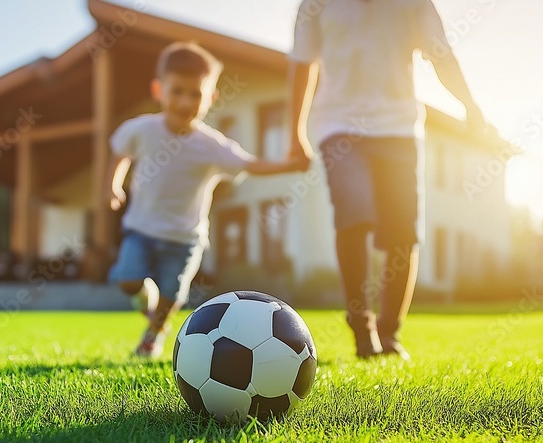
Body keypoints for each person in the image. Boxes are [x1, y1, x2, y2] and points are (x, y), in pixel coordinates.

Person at [287, 0, 488, 359]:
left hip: (399, 129)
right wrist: (295, 133)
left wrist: (469, 104)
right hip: (339, 126)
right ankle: (362, 329)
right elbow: (303, 64)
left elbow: (441, 55)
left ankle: (389, 333)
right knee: (354, 215)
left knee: (402, 234)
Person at [107, 41, 310, 358]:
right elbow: (120, 153)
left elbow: (249, 164)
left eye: (195, 94)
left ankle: (152, 338)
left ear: (211, 98)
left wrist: (289, 165)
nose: (185, 101)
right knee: (128, 280)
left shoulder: (211, 145)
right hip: (141, 229)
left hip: (184, 238)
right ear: (159, 90)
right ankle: (145, 301)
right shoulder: (141, 130)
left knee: (172, 293)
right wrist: (113, 186)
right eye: (177, 91)